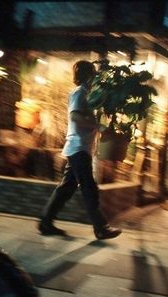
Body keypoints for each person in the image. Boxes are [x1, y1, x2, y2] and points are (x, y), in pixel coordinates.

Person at [38, 60, 122, 240]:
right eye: (93, 73)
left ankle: (45, 223)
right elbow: (75, 117)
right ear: (88, 75)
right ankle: (101, 228)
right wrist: (98, 126)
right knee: (89, 188)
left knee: (66, 188)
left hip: (80, 148)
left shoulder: (87, 93)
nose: (96, 77)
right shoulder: (79, 93)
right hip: (78, 148)